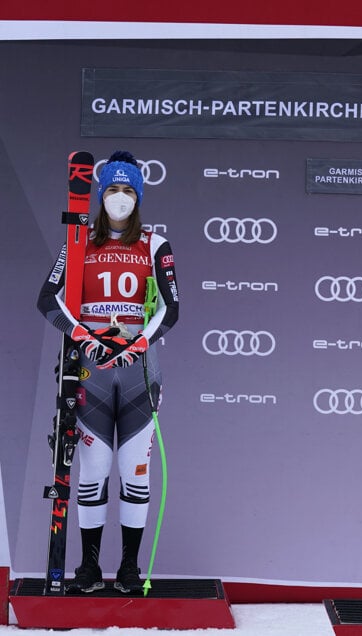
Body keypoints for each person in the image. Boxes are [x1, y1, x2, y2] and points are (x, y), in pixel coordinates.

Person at [37, 150, 180, 594]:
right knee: (92, 471)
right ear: (102, 195)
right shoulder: (79, 242)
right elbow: (48, 299)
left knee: (135, 474)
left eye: (128, 191)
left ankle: (131, 568)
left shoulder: (154, 244)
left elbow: (172, 309)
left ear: (139, 196)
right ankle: (89, 568)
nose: (120, 198)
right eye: (113, 190)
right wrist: (84, 336)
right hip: (92, 372)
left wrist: (137, 343)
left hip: (138, 373)